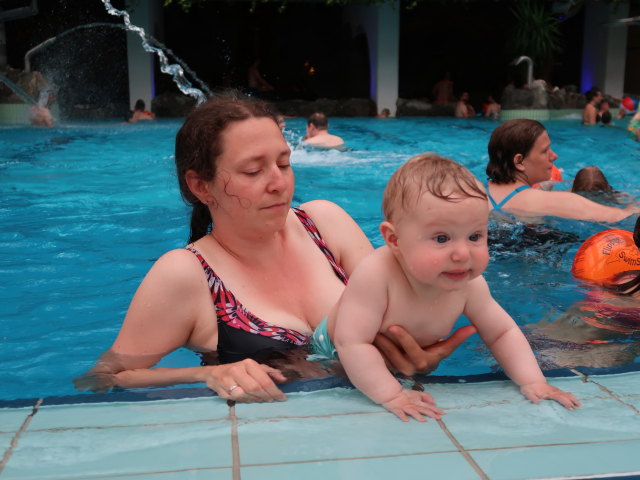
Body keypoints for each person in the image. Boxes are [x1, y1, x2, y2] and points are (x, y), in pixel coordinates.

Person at [74, 93, 471, 401]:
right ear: (200, 186)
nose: (278, 183)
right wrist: (207, 374)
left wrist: (423, 354)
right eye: (253, 170)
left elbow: (406, 308)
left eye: (283, 163)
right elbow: (101, 378)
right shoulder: (187, 274)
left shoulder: (325, 224)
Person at [312, 154, 580, 422]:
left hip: (389, 357)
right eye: (442, 238)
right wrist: (391, 394)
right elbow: (352, 342)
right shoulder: (376, 275)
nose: (463, 253)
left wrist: (533, 381)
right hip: (330, 351)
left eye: (475, 236)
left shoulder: (470, 284)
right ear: (394, 239)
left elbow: (502, 332)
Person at [486, 119, 640, 222]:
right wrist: (633, 205)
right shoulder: (558, 201)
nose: (554, 156)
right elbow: (626, 218)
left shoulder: (477, 193)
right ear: (519, 161)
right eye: (545, 151)